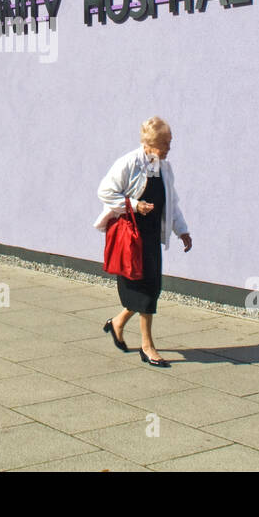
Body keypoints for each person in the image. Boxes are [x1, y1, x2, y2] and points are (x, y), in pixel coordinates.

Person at [94, 116, 193, 367]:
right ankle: (147, 346)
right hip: (132, 236)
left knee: (150, 288)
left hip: (151, 237)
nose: (169, 148)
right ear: (149, 144)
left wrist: (182, 231)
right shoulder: (129, 163)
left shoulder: (164, 168)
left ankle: (117, 322)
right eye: (164, 143)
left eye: (170, 142)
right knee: (144, 289)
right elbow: (105, 191)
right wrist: (135, 206)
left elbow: (172, 204)